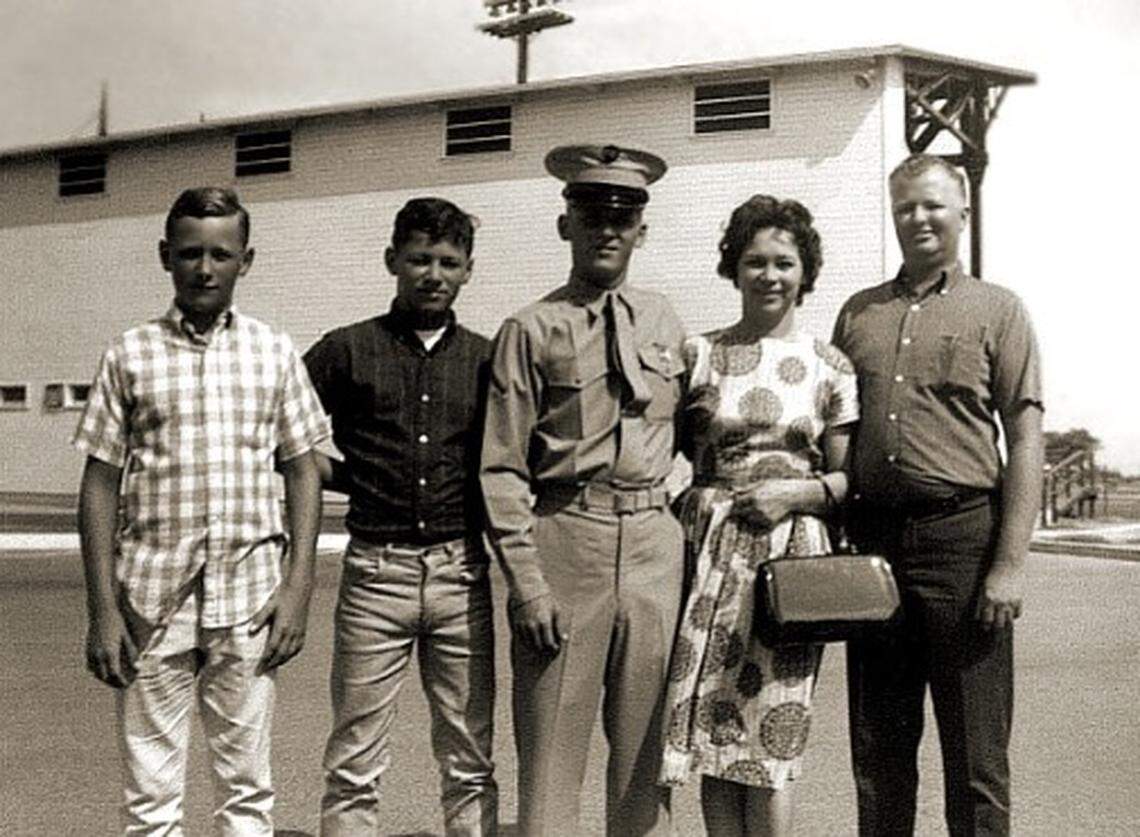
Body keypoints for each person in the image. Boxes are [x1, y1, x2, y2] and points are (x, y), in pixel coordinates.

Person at [74, 186, 329, 835]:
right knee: (150, 796)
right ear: (166, 255)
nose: (205, 268)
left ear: (246, 259)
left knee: (246, 790)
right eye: (190, 253)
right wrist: (103, 608)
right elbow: (100, 481)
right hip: (148, 603)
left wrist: (298, 587)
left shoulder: (274, 351)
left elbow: (304, 469)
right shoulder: (129, 354)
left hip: (248, 603)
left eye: (221, 253)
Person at [832, 153, 1044, 836]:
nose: (918, 218)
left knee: (977, 756)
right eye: (905, 207)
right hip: (875, 546)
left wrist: (1009, 564)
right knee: (880, 750)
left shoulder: (999, 309)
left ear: (962, 213)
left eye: (932, 205)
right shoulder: (858, 313)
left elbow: (1025, 437)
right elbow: (836, 429)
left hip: (963, 541)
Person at [480, 144, 686, 836]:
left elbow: (695, 434)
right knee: (550, 763)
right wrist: (528, 583)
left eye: (622, 218)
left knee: (642, 759)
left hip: (656, 546)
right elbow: (502, 468)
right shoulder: (529, 329)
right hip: (567, 539)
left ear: (641, 230)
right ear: (565, 223)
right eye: (592, 214)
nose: (608, 230)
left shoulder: (666, 322)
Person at [658, 195, 859, 836]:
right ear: (734, 268)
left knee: (772, 736)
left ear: (805, 272)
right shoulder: (698, 354)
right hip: (711, 551)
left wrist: (793, 496)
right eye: (754, 262)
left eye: (784, 262)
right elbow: (661, 453)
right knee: (716, 731)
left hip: (792, 559)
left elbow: (848, 479)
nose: (769, 276)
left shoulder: (831, 366)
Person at [305, 197, 497, 836]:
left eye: (448, 261)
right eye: (419, 259)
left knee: (468, 753)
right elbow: (286, 439)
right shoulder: (345, 351)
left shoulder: (488, 360)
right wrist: (347, 477)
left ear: (468, 269)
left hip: (460, 571)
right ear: (393, 260)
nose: (432, 274)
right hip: (374, 574)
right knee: (355, 756)